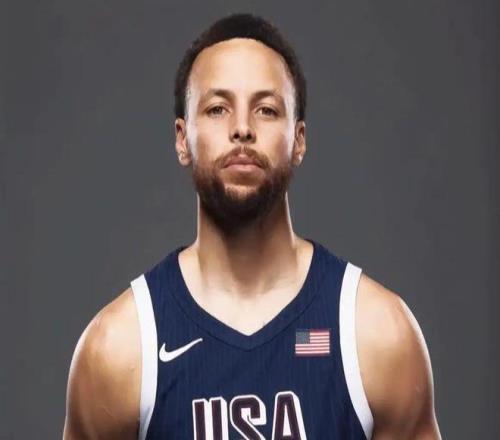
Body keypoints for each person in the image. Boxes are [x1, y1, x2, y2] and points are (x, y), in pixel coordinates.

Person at [63, 13, 441, 440]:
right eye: (217, 109)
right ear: (182, 139)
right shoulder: (119, 348)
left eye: (266, 110)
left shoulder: (376, 333)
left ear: (298, 140)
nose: (242, 129)